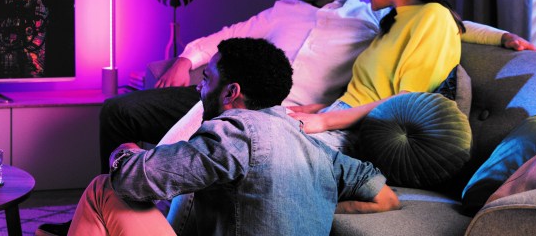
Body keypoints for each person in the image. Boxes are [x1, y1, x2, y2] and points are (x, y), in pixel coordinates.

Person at [97, 0, 536, 172]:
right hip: (254, 100)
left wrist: (501, 37)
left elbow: (440, 25)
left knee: (228, 141)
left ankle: (137, 185)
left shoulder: (373, 18)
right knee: (128, 113)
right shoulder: (296, 10)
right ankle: (123, 191)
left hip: (309, 118)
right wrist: (185, 59)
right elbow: (231, 34)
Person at [61, 38, 400, 236]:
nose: (200, 86)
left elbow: (133, 181)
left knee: (104, 187)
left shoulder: (236, 132)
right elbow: (385, 198)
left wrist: (125, 152)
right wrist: (317, 201)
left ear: (231, 92)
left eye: (206, 78)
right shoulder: (318, 149)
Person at [289, 0, 464, 148]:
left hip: (356, 133)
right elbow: (368, 93)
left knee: (260, 143)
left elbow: (406, 102)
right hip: (336, 118)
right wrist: (320, 109)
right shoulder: (393, 19)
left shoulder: (433, 17)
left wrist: (325, 120)